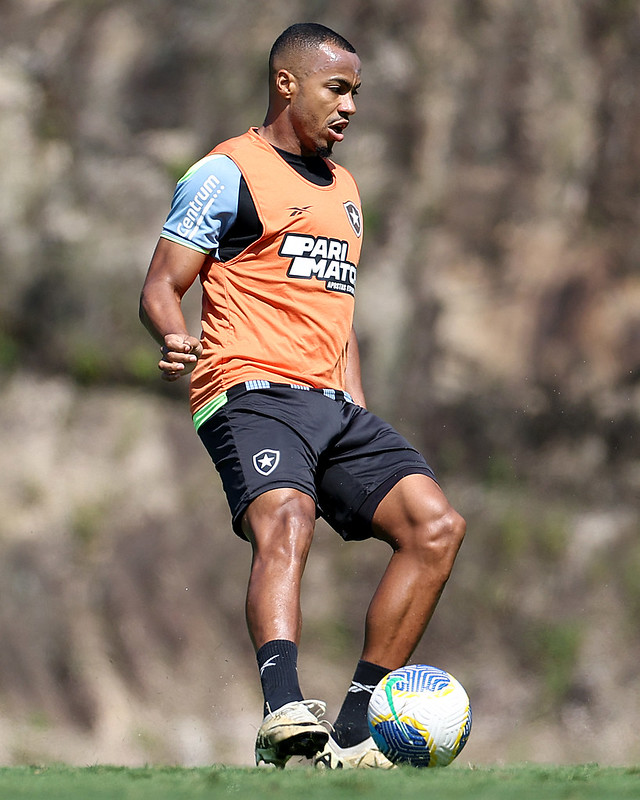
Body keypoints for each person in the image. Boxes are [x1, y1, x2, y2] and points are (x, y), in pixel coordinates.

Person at [139, 22, 466, 770]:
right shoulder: (226, 172)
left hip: (333, 404)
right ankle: (282, 710)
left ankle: (353, 733)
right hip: (247, 389)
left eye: (357, 92)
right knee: (287, 515)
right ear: (287, 84)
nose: (351, 106)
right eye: (338, 88)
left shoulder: (346, 190)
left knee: (436, 527)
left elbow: (334, 310)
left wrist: (355, 401)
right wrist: (173, 334)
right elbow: (162, 281)